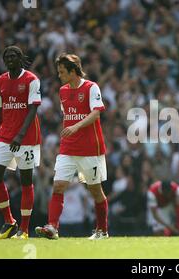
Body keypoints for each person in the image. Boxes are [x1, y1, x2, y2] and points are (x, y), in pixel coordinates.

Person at [35, 54, 109, 240]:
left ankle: (102, 230)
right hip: (68, 148)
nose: (59, 75)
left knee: (95, 190)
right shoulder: (62, 91)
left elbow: (96, 114)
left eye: (62, 72)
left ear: (73, 71)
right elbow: (68, 115)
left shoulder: (91, 87)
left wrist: (75, 127)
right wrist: (70, 129)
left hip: (90, 148)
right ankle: (52, 227)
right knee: (58, 185)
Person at [0, 46, 41, 239]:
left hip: (26, 138)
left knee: (26, 180)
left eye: (13, 56)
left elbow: (33, 109)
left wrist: (20, 135)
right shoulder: (0, 80)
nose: (9, 58)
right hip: (4, 136)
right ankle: (9, 221)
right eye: (6, 56)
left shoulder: (31, 79)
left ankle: (24, 229)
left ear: (20, 58)